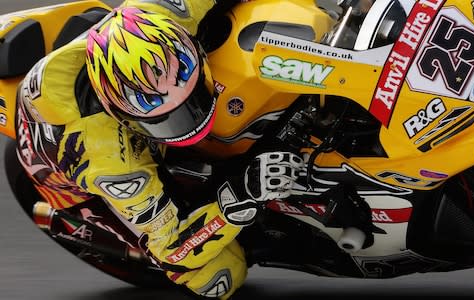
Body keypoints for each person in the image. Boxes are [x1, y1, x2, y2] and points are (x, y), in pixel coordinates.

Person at [14, 1, 305, 299]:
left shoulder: (165, 11)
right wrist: (243, 197)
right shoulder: (110, 161)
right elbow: (171, 249)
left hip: (89, 61)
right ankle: (64, 219)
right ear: (119, 111)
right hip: (61, 169)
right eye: (163, 114)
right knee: (222, 277)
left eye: (191, 92)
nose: (188, 119)